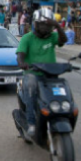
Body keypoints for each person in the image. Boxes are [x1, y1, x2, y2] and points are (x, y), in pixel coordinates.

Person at [16, 8, 67, 137]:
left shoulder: (53, 37)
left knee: (62, 92)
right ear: (35, 24)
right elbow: (20, 54)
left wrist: (57, 26)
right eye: (42, 24)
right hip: (32, 75)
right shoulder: (27, 38)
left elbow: (63, 40)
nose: (45, 28)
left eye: (48, 25)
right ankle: (31, 123)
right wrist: (22, 63)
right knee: (31, 90)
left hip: (50, 75)